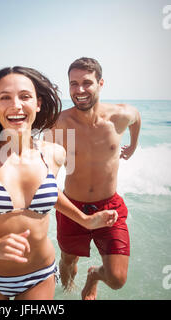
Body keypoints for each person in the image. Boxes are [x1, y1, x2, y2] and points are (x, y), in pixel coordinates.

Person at [0, 66, 118, 300]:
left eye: (25, 96)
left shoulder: (54, 154)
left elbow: (49, 194)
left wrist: (85, 220)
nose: (16, 105)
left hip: (39, 274)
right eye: (5, 97)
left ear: (38, 103)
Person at [52, 57, 141, 299]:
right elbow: (46, 181)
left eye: (86, 83)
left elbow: (137, 118)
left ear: (101, 84)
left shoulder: (120, 115)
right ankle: (66, 295)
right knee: (68, 262)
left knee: (117, 279)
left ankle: (94, 276)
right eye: (73, 84)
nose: (79, 90)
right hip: (72, 207)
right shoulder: (60, 123)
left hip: (109, 206)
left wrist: (132, 146)